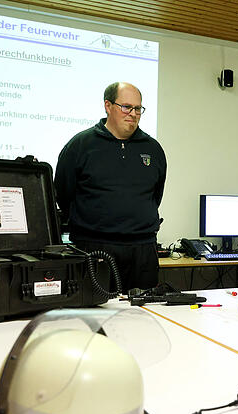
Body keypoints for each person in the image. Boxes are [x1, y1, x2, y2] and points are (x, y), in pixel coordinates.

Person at [55, 82, 166, 291]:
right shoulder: (80, 145)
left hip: (142, 250)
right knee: (94, 316)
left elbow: (155, 194)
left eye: (138, 109)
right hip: (93, 247)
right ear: (108, 106)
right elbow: (64, 193)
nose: (133, 114)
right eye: (126, 107)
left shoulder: (153, 149)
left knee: (142, 317)